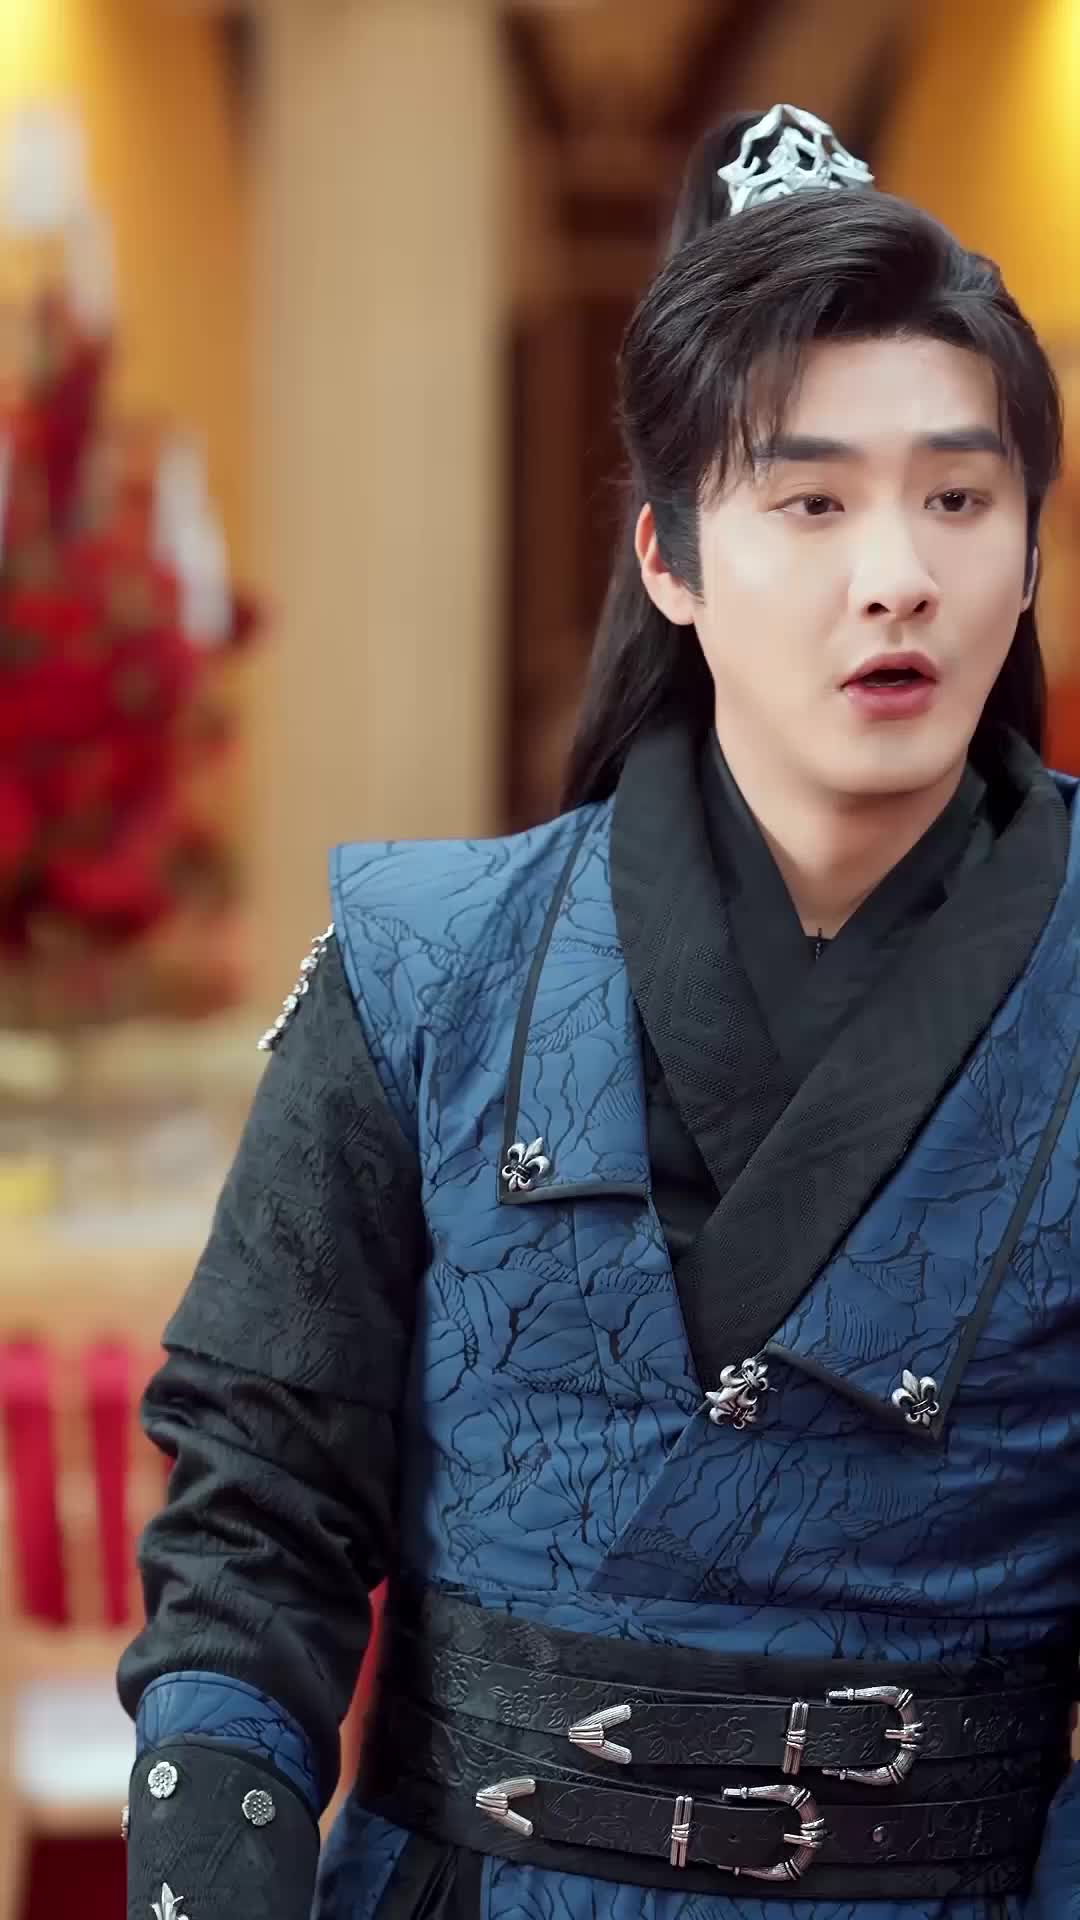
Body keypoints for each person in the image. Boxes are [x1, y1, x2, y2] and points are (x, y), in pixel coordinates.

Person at [119, 104, 1080, 1920]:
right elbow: (257, 1523)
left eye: (959, 499)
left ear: (1028, 550)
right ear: (669, 558)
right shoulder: (424, 965)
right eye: (811, 501)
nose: (898, 573)